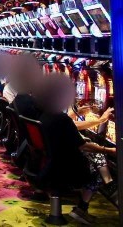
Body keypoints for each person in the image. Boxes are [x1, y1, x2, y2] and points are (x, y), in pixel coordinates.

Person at [37, 74, 116, 224]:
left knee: (96, 157)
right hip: (64, 166)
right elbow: (83, 145)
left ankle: (109, 184)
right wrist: (109, 150)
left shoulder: (46, 113)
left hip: (51, 161)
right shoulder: (61, 118)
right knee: (98, 163)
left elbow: (68, 126)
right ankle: (85, 205)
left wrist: (78, 114)